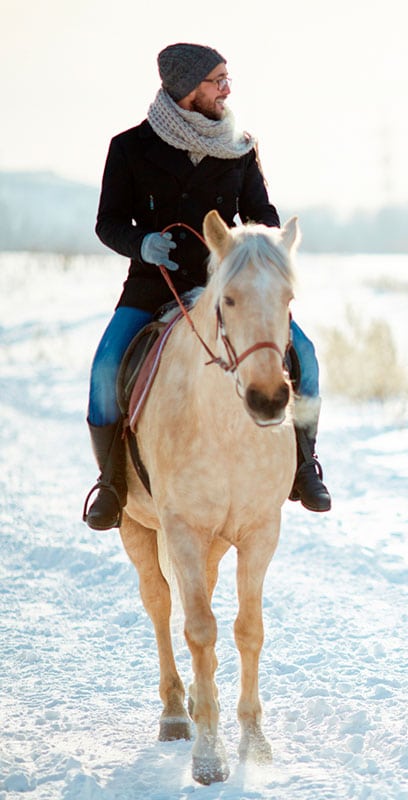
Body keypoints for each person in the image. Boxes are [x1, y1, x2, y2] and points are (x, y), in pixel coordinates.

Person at [83, 42, 331, 530]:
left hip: (232, 292)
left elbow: (263, 215)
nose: (226, 89)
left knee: (306, 358)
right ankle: (112, 484)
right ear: (186, 89)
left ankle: (304, 467)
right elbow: (108, 222)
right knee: (104, 369)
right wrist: (143, 243)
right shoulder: (129, 148)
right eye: (217, 81)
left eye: (226, 79)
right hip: (154, 287)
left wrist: (253, 243)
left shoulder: (240, 146)